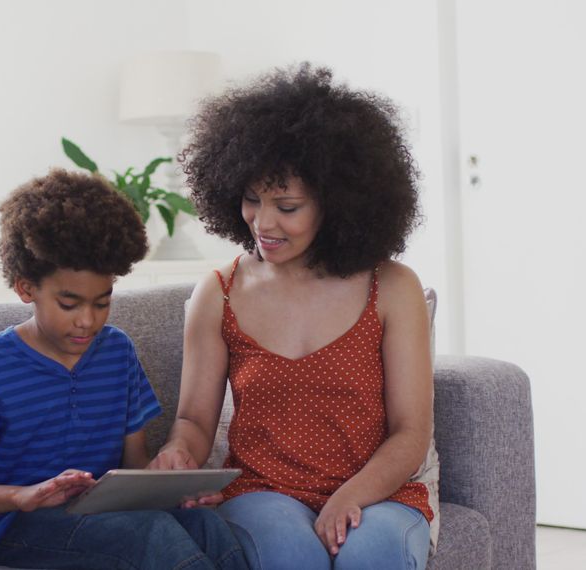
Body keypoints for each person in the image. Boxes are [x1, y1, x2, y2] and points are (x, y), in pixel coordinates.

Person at [149, 64, 435, 570]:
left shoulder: (391, 287)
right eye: (252, 200)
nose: (263, 222)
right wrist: (179, 453)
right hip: (263, 492)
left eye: (288, 206)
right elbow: (194, 420)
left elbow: (410, 432)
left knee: (371, 557)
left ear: (337, 203)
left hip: (379, 494)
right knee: (289, 557)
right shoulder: (218, 292)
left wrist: (351, 496)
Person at [0, 168, 249, 570]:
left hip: (99, 512)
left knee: (204, 523)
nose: (88, 320)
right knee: (152, 533)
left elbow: (132, 466)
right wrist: (22, 496)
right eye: (69, 304)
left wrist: (171, 490)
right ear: (26, 288)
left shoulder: (117, 351)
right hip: (12, 525)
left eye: (102, 302)